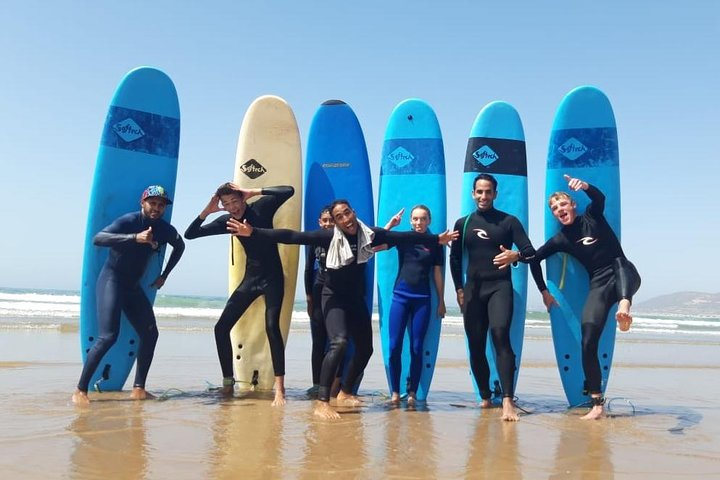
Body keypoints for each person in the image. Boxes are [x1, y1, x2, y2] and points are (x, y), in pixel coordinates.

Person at [228, 199, 458, 419]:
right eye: (339, 216)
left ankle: (345, 392)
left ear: (353, 212)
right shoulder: (328, 237)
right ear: (335, 222)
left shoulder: (369, 234)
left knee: (366, 349)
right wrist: (254, 232)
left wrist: (437, 238)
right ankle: (322, 401)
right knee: (339, 343)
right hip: (333, 297)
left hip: (355, 297)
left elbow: (403, 236)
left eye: (347, 212)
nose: (345, 218)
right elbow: (292, 236)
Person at [507, 174, 641, 420]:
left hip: (623, 273)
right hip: (599, 285)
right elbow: (535, 258)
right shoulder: (562, 239)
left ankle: (624, 306)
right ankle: (597, 404)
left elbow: (600, 198)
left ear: (573, 205)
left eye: (563, 204)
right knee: (587, 341)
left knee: (620, 263)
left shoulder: (593, 216)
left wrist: (586, 186)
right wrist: (541, 289)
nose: (560, 209)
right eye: (555, 208)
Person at [72, 185, 185, 406]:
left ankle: (139, 389)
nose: (157, 208)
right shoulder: (129, 221)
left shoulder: (164, 229)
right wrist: (135, 238)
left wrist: (164, 275)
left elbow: (180, 246)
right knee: (108, 336)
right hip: (111, 281)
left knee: (151, 334)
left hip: (133, 287)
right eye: (152, 203)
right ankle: (80, 390)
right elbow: (99, 238)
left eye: (161, 205)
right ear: (142, 203)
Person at [184, 182, 294, 406]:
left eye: (235, 201)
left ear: (242, 198)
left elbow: (289, 191)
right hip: (250, 280)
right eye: (227, 204)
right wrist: (207, 211)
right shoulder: (227, 221)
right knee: (220, 328)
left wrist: (254, 191)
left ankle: (280, 389)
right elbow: (190, 234)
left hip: (273, 279)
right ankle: (227, 382)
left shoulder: (261, 208)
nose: (233, 207)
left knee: (272, 327)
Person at [449, 173, 536, 422]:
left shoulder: (509, 222)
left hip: (500, 287)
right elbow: (454, 258)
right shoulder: (462, 223)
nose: (484, 196)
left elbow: (530, 251)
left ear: (495, 194)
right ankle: (485, 397)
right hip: (473, 290)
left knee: (500, 335)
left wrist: (515, 256)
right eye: (479, 191)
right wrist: (458, 289)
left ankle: (508, 400)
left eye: (488, 192)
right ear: (473, 194)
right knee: (475, 344)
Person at [381, 205, 446, 405]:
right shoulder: (404, 238)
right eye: (416, 219)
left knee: (417, 347)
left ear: (429, 221)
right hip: (400, 297)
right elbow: (375, 244)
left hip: (422, 300)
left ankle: (412, 393)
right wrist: (391, 224)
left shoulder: (436, 243)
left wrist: (442, 301)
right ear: (410, 221)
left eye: (423, 219)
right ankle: (394, 391)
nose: (419, 223)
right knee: (394, 347)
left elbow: (437, 273)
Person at [304, 206, 334, 395]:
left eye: (331, 220)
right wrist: (308, 298)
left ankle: (331, 384)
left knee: (335, 342)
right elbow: (308, 269)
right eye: (325, 220)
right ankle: (316, 383)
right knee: (318, 341)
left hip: (336, 295)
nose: (328, 223)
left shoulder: (342, 239)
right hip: (317, 292)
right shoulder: (314, 241)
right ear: (319, 222)